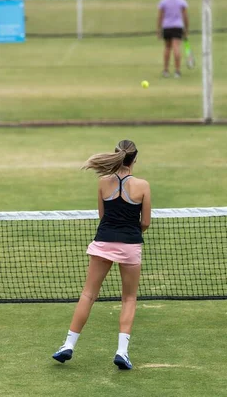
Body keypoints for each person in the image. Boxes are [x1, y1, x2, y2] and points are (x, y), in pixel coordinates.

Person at [52, 140, 152, 370]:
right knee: (128, 298)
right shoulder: (143, 186)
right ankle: (122, 352)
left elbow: (103, 216)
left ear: (116, 156)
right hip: (130, 245)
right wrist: (131, 231)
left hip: (103, 243)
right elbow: (145, 222)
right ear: (134, 159)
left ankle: (68, 345)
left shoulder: (102, 184)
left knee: (88, 295)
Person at [157, 0, 189, 78]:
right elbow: (185, 16)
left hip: (167, 27)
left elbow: (160, 16)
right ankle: (177, 71)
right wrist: (186, 29)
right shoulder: (181, 0)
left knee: (167, 47)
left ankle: (165, 70)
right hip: (177, 26)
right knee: (176, 47)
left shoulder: (163, 1)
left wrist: (158, 29)